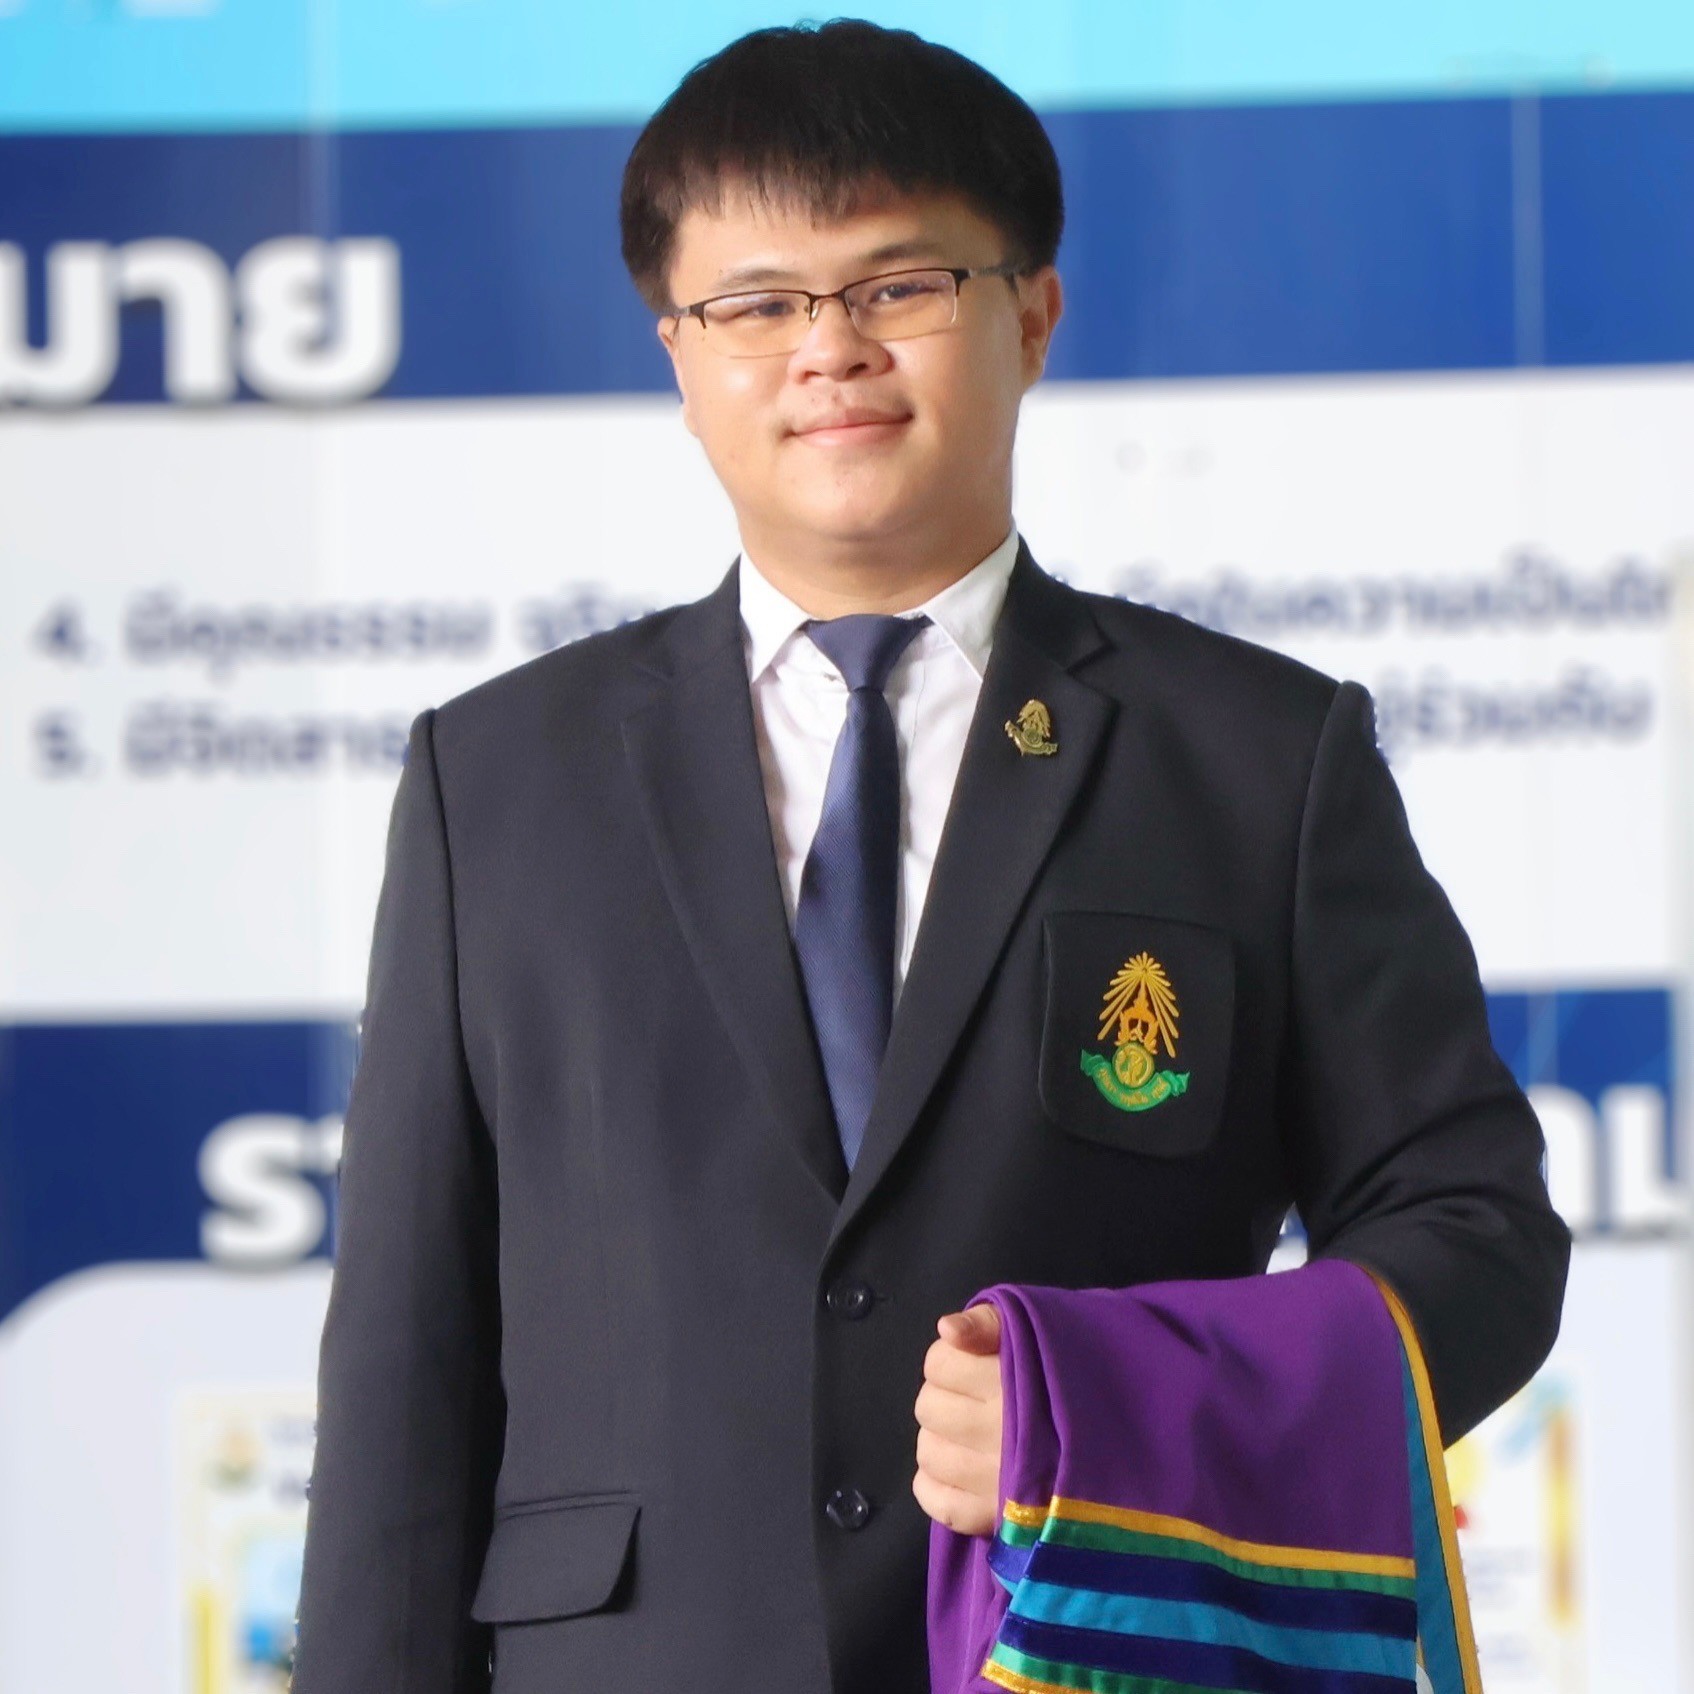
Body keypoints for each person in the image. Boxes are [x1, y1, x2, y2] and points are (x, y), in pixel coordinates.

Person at [290, 19, 1569, 1694]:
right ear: (679, 357)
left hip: (1093, 1647)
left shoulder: (1259, 757)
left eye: (900, 285)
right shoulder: (498, 777)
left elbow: (1475, 1234)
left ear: (1031, 313)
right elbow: (405, 1353)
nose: (829, 349)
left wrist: (1117, 1400)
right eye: (756, 304)